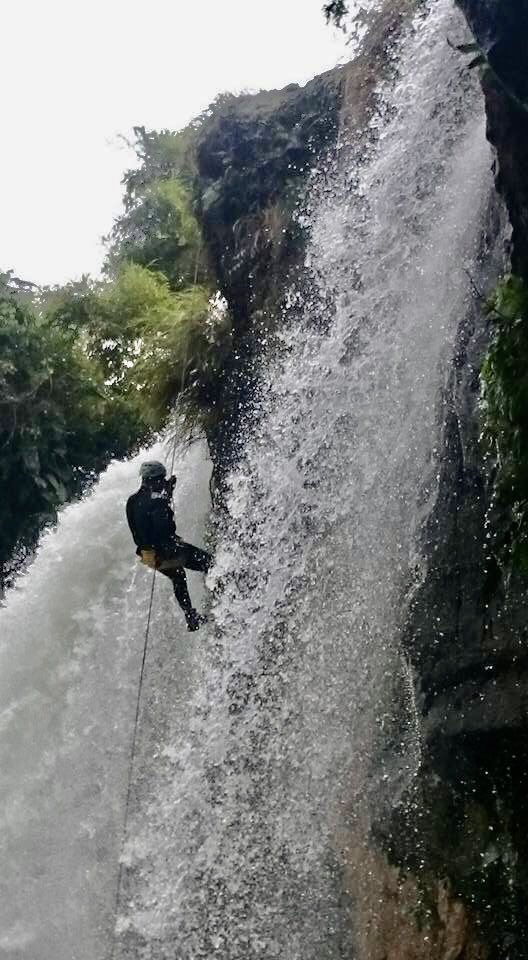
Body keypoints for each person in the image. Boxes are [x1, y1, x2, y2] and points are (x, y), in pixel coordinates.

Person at [126, 460, 212, 632]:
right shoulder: (158, 500)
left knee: (178, 576)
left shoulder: (132, 500)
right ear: (155, 479)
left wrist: (166, 495)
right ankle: (222, 600)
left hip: (146, 555)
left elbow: (141, 522)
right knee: (211, 563)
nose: (162, 482)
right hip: (165, 551)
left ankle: (191, 616)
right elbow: (162, 526)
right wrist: (172, 541)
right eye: (161, 479)